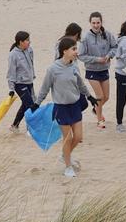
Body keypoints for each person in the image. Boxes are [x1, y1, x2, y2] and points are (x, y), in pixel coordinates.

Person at [37, 34, 91, 176]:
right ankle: (68, 167)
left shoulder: (74, 67)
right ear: (64, 51)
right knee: (67, 138)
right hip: (61, 108)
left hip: (75, 106)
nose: (76, 52)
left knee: (78, 137)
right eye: (73, 49)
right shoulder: (53, 69)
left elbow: (80, 84)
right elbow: (45, 88)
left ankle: (64, 155)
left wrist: (90, 97)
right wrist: (37, 103)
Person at [78, 13, 115, 126]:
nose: (96, 25)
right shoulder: (85, 38)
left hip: (104, 70)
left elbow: (115, 47)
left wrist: (109, 55)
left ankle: (96, 109)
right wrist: (96, 59)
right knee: (99, 97)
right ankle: (100, 120)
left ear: (101, 22)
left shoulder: (107, 34)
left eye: (98, 22)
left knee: (106, 97)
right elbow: (81, 55)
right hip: (92, 71)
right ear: (90, 23)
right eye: (93, 23)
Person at [7, 31, 37, 130]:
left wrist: (33, 75)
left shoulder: (30, 50)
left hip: (29, 82)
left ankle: (14, 125)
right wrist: (11, 89)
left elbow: (31, 64)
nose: (29, 42)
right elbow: (11, 72)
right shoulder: (13, 55)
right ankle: (31, 128)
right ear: (20, 42)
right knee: (30, 106)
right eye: (27, 40)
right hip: (19, 84)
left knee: (25, 105)